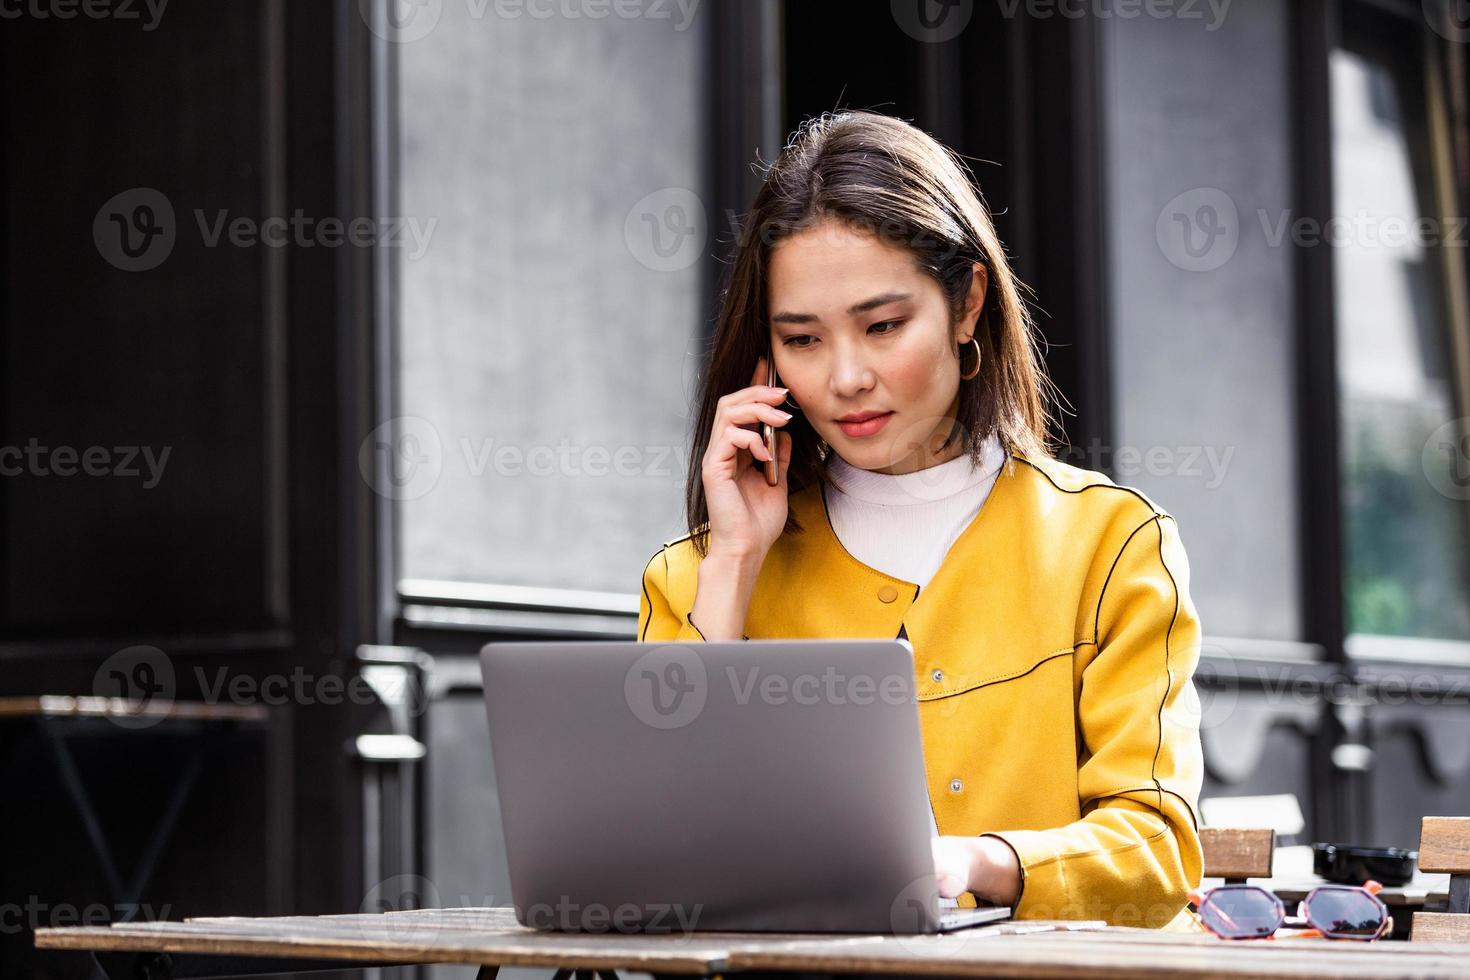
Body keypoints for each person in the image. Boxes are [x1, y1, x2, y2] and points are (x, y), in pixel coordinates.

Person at [638, 109, 1205, 930]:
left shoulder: (1110, 545)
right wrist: (732, 566)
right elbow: (650, 855)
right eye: (801, 338)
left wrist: (974, 865)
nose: (845, 377)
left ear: (967, 302)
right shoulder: (693, 575)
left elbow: (1155, 852)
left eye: (883, 326)